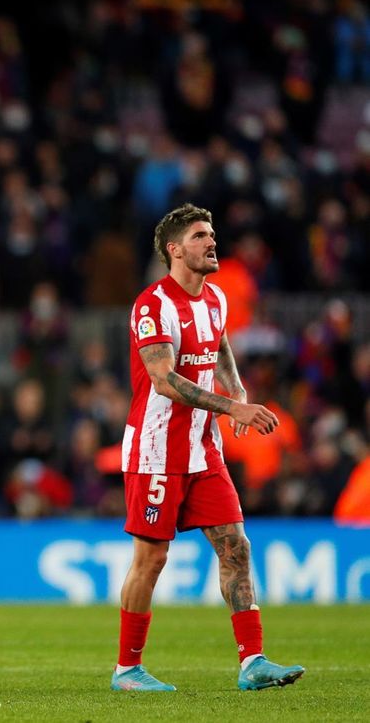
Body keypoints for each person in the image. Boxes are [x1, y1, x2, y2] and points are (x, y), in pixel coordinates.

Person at [112, 203, 304, 692]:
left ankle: (253, 661)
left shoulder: (215, 297)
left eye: (212, 234)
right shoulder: (153, 305)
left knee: (236, 546)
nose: (211, 242)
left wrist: (235, 388)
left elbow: (218, 346)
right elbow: (162, 379)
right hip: (158, 449)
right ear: (175, 250)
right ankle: (127, 669)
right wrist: (232, 408)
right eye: (200, 236)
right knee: (151, 560)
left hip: (203, 449)